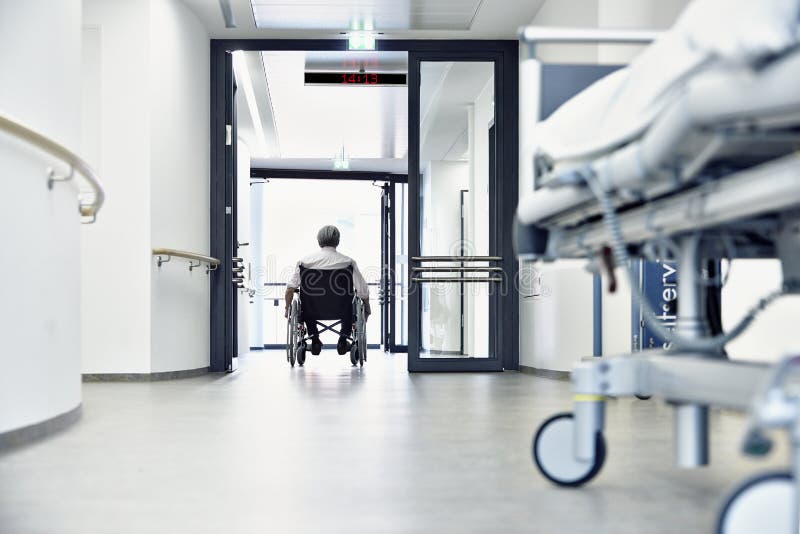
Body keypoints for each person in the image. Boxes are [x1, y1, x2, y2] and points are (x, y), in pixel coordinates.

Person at [285, 225, 371, 356]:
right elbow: (362, 290)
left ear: (319, 241)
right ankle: (343, 340)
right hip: (342, 310)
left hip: (312, 310)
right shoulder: (348, 262)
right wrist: (367, 305)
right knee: (349, 306)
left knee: (307, 307)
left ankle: (314, 340)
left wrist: (287, 308)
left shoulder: (304, 262)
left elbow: (290, 288)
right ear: (338, 241)